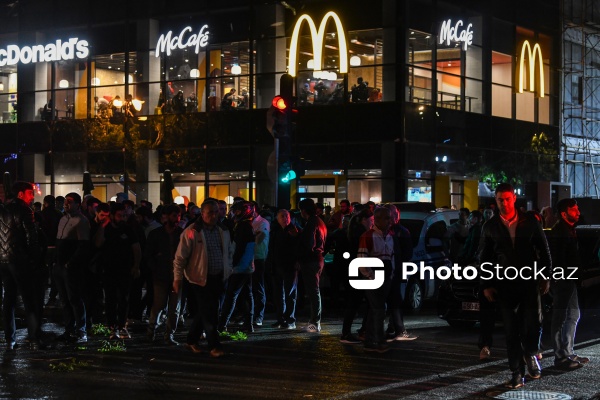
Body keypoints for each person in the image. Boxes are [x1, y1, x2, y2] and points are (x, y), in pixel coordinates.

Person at [478, 183, 551, 389]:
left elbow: (544, 251)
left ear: (514, 199)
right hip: (505, 284)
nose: (504, 203)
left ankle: (530, 353)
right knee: (511, 330)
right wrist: (486, 284)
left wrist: (545, 276)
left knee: (534, 322)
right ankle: (516, 373)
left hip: (529, 280)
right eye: (500, 199)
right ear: (496, 200)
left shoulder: (529, 222)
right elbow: (484, 258)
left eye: (507, 199)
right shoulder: (490, 226)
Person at [173, 200, 233, 358]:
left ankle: (191, 340)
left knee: (206, 310)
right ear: (202, 213)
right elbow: (180, 258)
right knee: (210, 311)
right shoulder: (192, 231)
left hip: (219, 276)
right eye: (210, 212)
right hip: (198, 278)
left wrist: (228, 269)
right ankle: (214, 344)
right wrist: (177, 278)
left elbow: (228, 251)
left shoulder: (223, 229)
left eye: (216, 212)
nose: (214, 215)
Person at [0, 181, 42, 350]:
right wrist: (35, 258)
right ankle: (34, 339)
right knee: (29, 300)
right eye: (30, 193)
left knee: (8, 300)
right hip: (20, 260)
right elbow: (32, 238)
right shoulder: (25, 210)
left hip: (3, 261)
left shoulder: (2, 210)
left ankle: (10, 340)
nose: (33, 196)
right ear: (20, 194)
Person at [549, 198, 590, 370]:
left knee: (573, 315)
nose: (578, 212)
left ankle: (567, 351)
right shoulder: (560, 231)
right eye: (574, 210)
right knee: (561, 317)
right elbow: (557, 259)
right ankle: (561, 356)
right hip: (563, 280)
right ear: (564, 213)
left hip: (569, 279)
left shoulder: (568, 229)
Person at [55, 192, 90, 344]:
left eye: (69, 201)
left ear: (77, 203)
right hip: (59, 265)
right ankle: (69, 329)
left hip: (70, 266)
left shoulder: (81, 221)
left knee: (74, 298)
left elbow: (83, 246)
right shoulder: (63, 219)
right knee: (64, 299)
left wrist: (71, 262)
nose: (66, 204)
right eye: (65, 201)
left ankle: (81, 330)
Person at [357, 207, 394, 353]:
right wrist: (371, 276)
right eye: (387, 218)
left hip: (383, 276)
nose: (390, 220)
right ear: (378, 219)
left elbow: (392, 257)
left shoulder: (389, 235)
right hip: (373, 277)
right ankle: (378, 340)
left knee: (376, 309)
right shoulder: (368, 236)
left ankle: (370, 340)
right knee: (379, 309)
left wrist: (390, 275)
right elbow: (362, 260)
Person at [146, 204, 183, 345]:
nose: (178, 218)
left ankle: (166, 335)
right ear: (167, 217)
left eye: (178, 215)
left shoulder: (181, 233)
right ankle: (154, 332)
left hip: (174, 275)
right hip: (162, 275)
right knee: (159, 305)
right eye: (175, 215)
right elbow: (148, 254)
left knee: (174, 308)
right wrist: (155, 267)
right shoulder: (157, 234)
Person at [218, 201, 255, 332]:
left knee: (231, 296)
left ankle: (222, 325)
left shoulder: (243, 226)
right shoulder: (246, 225)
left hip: (240, 267)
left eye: (237, 211)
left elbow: (239, 249)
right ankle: (248, 323)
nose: (234, 213)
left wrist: (232, 264)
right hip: (247, 266)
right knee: (246, 295)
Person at [297, 198, 327, 333]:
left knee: (313, 292)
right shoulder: (320, 221)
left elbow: (308, 244)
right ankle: (314, 321)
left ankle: (314, 323)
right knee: (314, 291)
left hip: (311, 260)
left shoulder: (311, 223)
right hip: (318, 258)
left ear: (304, 210)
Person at [269, 209, 299, 329]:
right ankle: (281, 318)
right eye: (282, 216)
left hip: (289, 266)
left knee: (290, 293)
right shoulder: (275, 231)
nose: (285, 218)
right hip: (277, 266)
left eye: (286, 216)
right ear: (277, 218)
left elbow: (297, 248)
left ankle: (290, 319)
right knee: (278, 294)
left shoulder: (294, 230)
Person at [251, 201, 270, 326]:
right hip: (249, 258)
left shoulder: (262, 222)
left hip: (258, 258)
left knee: (258, 287)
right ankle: (250, 314)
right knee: (249, 288)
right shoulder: (248, 222)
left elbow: (259, 239)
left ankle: (258, 315)